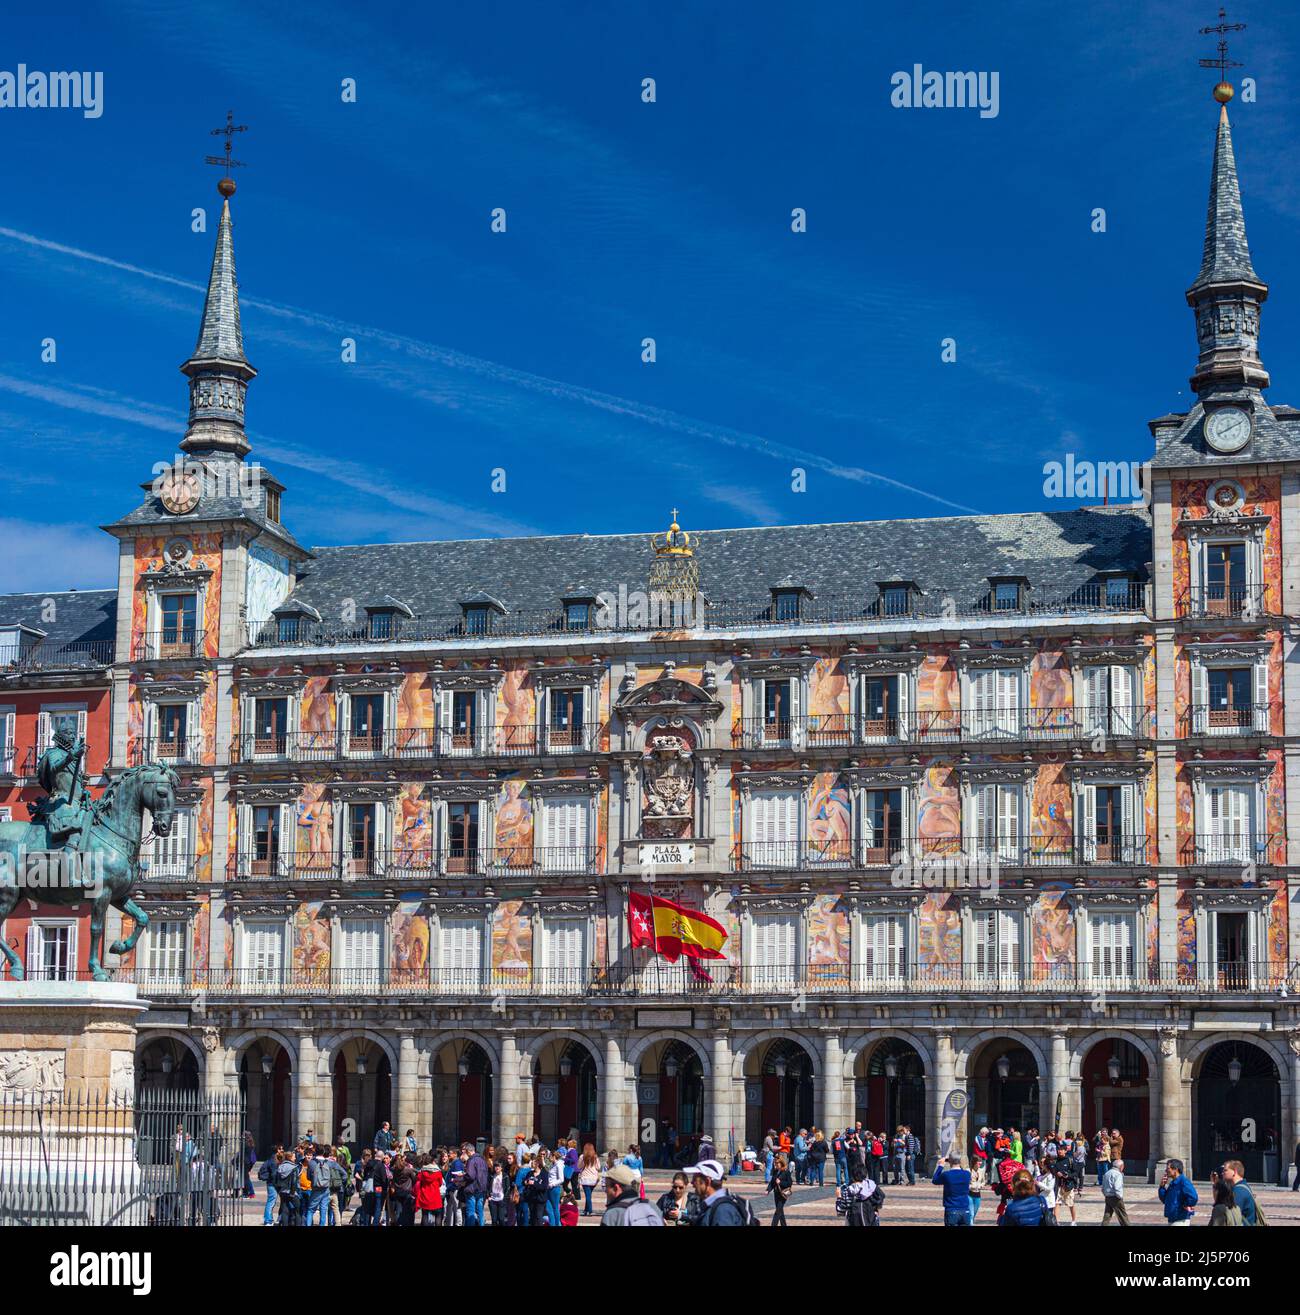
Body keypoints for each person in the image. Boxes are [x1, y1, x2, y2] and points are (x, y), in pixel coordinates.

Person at [687, 1157, 753, 1226]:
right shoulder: (712, 1205)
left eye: (695, 1179)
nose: (691, 1182)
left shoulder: (723, 1210)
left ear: (707, 1181)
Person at [840, 1160, 884, 1226]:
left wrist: (838, 1197)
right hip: (871, 1218)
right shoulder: (871, 1186)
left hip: (853, 1221)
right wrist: (875, 1208)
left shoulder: (847, 1190)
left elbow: (841, 1210)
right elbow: (881, 1196)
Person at [932, 1153, 972, 1226]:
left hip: (951, 1209)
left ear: (950, 1161)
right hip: (965, 1209)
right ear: (960, 1161)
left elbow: (934, 1180)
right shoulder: (967, 1174)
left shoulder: (947, 1175)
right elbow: (962, 1171)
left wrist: (941, 1165)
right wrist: (955, 1161)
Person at [1218, 1160, 1260, 1226]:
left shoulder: (1239, 1191)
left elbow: (1230, 1216)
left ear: (1234, 1172)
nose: (1222, 1173)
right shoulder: (1243, 1186)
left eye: (1225, 1170)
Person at [1158, 1159, 1198, 1226]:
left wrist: (1185, 1205)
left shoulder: (1183, 1181)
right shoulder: (1173, 1183)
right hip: (1172, 1218)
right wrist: (1162, 1187)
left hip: (1180, 1219)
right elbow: (1165, 1200)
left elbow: (1193, 1197)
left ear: (1175, 1169)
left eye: (1168, 1168)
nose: (1166, 1171)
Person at [463, 1142, 489, 1226]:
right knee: (480, 1211)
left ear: (468, 1151)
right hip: (481, 1189)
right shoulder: (482, 1160)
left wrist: (461, 1177)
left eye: (465, 1152)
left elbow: (470, 1176)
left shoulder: (471, 1160)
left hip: (472, 1189)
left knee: (471, 1212)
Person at [416, 1154, 444, 1225]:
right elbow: (440, 1184)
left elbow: (418, 1180)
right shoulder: (438, 1172)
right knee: (438, 1216)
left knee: (425, 1215)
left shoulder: (422, 1172)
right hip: (435, 1197)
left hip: (424, 1196)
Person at [766, 1152, 793, 1226]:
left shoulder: (786, 1172)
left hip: (783, 1194)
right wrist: (768, 1190)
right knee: (780, 1210)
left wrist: (780, 1182)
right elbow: (772, 1182)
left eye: (777, 1164)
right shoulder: (775, 1171)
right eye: (775, 1164)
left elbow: (789, 1183)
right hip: (776, 1193)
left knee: (778, 1211)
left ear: (781, 1163)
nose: (776, 1165)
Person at [1101, 1157, 1128, 1225]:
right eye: (1123, 1166)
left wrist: (1106, 1194)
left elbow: (1103, 1187)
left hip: (1108, 1197)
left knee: (1107, 1215)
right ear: (1121, 1166)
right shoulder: (1118, 1174)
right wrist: (1120, 1197)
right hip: (1115, 1197)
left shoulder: (1107, 1173)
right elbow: (1117, 1187)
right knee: (1123, 1216)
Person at [578, 1144, 602, 1216]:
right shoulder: (595, 1157)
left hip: (585, 1178)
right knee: (589, 1194)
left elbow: (579, 1166)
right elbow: (598, 1167)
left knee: (588, 1195)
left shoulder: (582, 1157)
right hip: (593, 1179)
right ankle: (586, 1210)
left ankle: (590, 1210)